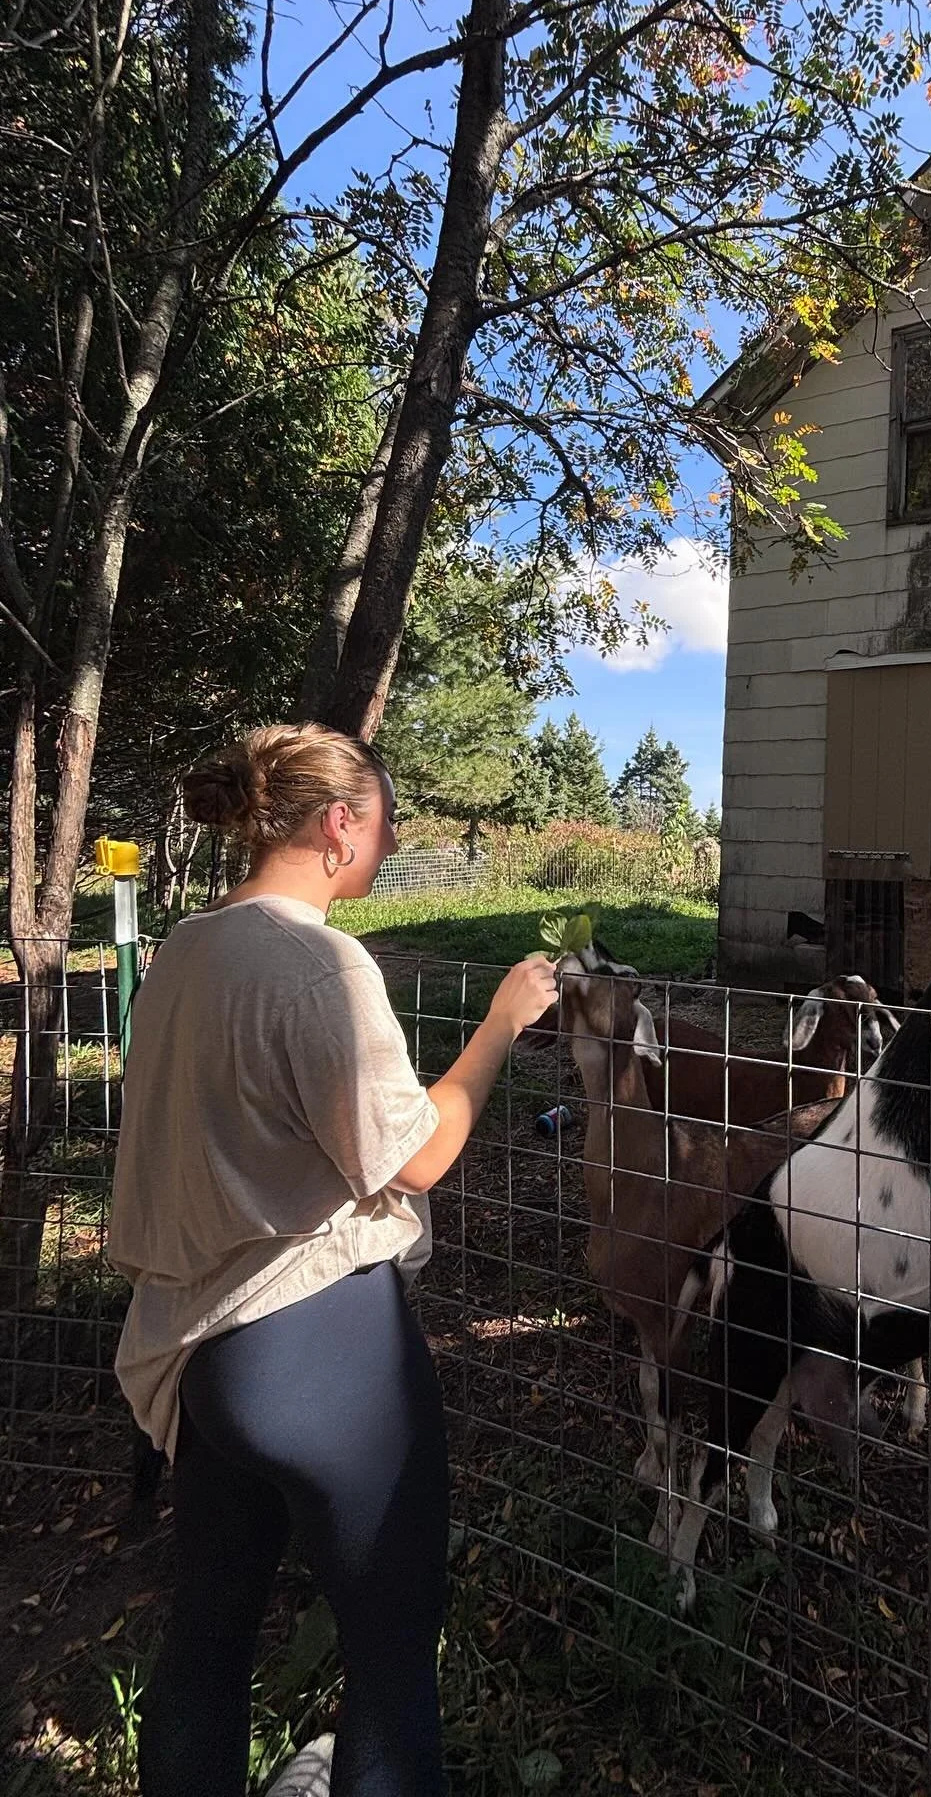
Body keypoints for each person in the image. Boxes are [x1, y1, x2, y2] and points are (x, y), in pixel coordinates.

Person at [107, 724, 558, 1797]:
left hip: (203, 1350)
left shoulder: (185, 948)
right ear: (339, 824)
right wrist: (501, 1023)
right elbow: (414, 1157)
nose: (391, 843)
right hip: (322, 1343)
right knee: (394, 1659)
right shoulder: (317, 960)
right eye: (388, 823)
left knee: (206, 1641)